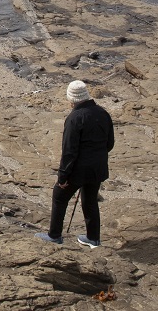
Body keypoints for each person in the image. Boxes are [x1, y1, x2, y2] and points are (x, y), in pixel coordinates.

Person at [36, 80, 114, 247]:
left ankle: (54, 235)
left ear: (72, 99)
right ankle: (93, 238)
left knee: (59, 196)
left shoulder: (74, 118)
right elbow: (110, 143)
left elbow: (69, 151)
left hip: (78, 170)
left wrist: (62, 176)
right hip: (97, 168)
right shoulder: (103, 113)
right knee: (90, 201)